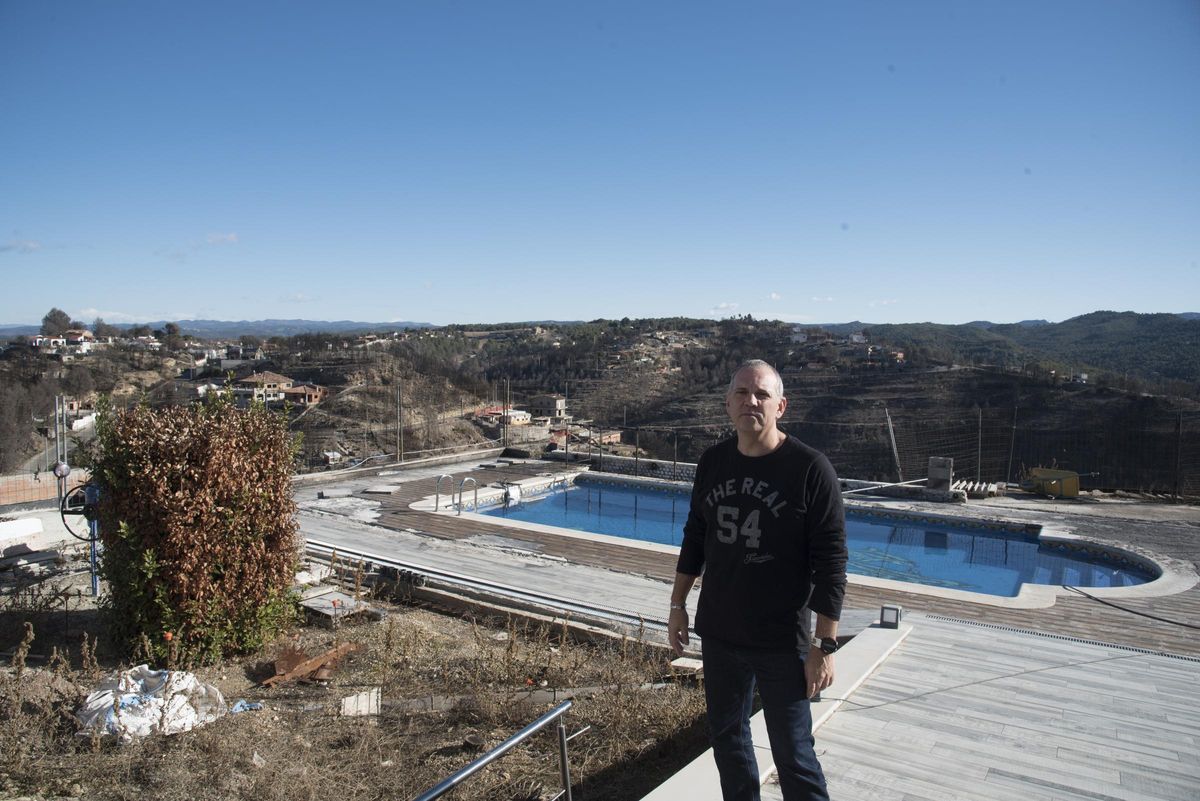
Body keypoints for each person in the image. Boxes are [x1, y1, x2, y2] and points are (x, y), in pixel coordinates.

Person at [668, 359, 848, 801]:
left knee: (794, 755)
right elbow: (695, 537)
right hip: (720, 633)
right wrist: (677, 605)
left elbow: (832, 562)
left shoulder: (809, 469)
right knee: (728, 744)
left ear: (781, 406)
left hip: (782, 642)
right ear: (728, 404)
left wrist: (824, 646)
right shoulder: (712, 462)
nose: (752, 401)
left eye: (762, 394)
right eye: (743, 393)